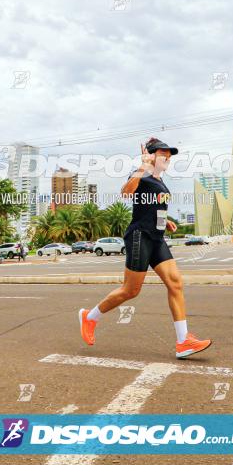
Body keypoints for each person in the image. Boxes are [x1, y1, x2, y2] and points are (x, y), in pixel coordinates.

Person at [78, 138, 212, 359]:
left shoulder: (159, 179)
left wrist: (165, 220)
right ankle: (89, 317)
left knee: (175, 283)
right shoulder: (141, 173)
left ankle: (183, 341)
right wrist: (142, 166)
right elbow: (126, 192)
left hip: (157, 237)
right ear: (150, 155)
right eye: (163, 153)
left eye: (169, 154)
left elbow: (151, 205)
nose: (167, 157)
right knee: (131, 290)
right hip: (140, 236)